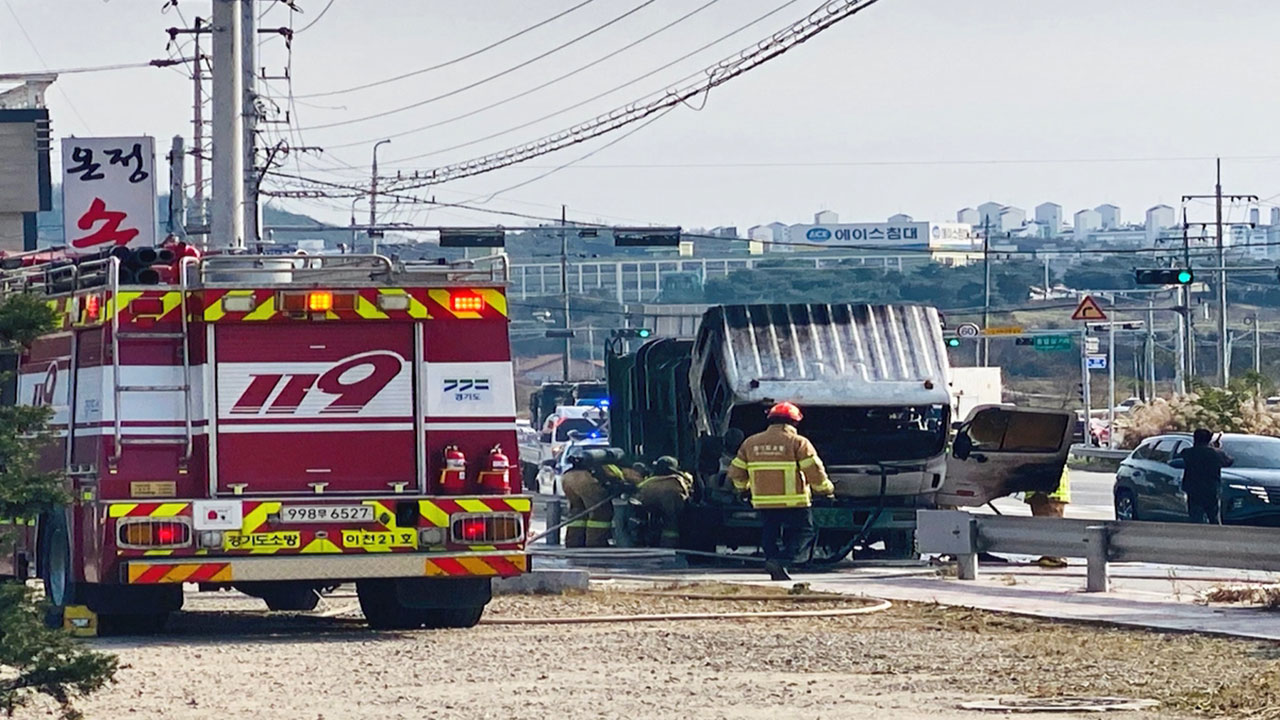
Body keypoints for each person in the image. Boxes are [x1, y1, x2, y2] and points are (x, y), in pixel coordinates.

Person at [727, 402, 834, 581]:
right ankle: (782, 561)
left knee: (770, 531)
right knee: (805, 531)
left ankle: (772, 561)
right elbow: (814, 470)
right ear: (795, 422)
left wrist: (743, 489)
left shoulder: (751, 442)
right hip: (795, 501)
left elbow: (736, 472)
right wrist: (826, 490)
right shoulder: (798, 442)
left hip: (763, 500)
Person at [562, 449, 634, 547]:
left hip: (568, 477)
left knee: (578, 511)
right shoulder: (624, 469)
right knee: (601, 513)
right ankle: (596, 544)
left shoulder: (601, 464)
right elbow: (639, 482)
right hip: (586, 479)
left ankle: (574, 542)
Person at [633, 456, 693, 548]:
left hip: (661, 531)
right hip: (684, 529)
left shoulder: (650, 484)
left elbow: (638, 498)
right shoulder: (682, 480)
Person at [1178, 428, 1234, 524]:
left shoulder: (1187, 452)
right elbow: (1229, 461)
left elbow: (1177, 459)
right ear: (1209, 440)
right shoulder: (1216, 453)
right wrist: (1216, 448)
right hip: (1211, 488)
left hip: (1192, 488)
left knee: (1195, 515)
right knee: (1213, 516)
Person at [1024, 463, 1071, 568]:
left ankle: (1054, 556)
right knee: (1043, 524)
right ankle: (1050, 554)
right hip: (1040, 485)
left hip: (1047, 488)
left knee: (1050, 522)